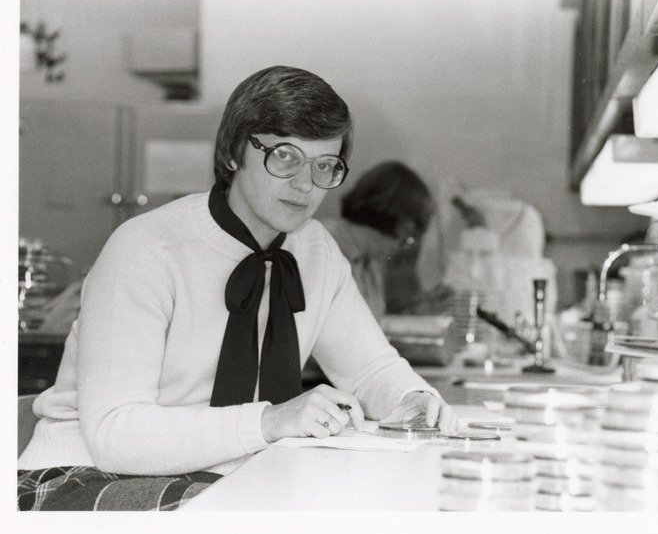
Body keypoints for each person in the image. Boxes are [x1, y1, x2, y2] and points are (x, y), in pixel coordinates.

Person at [17, 65, 457, 511]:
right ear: (232, 152)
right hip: (80, 475)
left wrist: (412, 399)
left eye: (325, 166)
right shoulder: (147, 248)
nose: (305, 185)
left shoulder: (315, 251)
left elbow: (368, 369)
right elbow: (116, 432)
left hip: (222, 473)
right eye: (284, 156)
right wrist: (270, 420)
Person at [321, 160, 434, 318]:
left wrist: (415, 310)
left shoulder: (369, 261)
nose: (404, 246)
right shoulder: (323, 244)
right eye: (408, 238)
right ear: (401, 222)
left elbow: (370, 323)